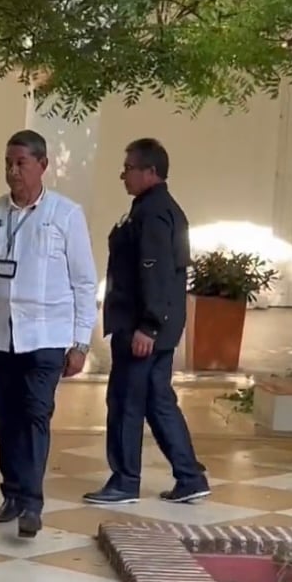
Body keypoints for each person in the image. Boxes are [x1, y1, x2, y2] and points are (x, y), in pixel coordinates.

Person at [0, 130, 97, 537]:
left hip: (47, 336)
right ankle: (13, 492)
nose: (13, 170)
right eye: (8, 162)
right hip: (0, 334)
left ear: (42, 165)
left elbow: (85, 282)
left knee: (36, 414)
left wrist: (81, 340)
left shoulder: (66, 215)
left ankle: (32, 503)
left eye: (21, 162)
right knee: (6, 419)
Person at [84, 138, 210, 505]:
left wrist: (148, 326)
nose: (123, 175)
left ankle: (125, 480)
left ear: (150, 172)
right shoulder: (157, 208)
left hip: (143, 327)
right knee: (158, 400)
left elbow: (154, 271)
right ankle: (190, 476)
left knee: (125, 400)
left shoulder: (153, 213)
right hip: (158, 326)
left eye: (129, 168)